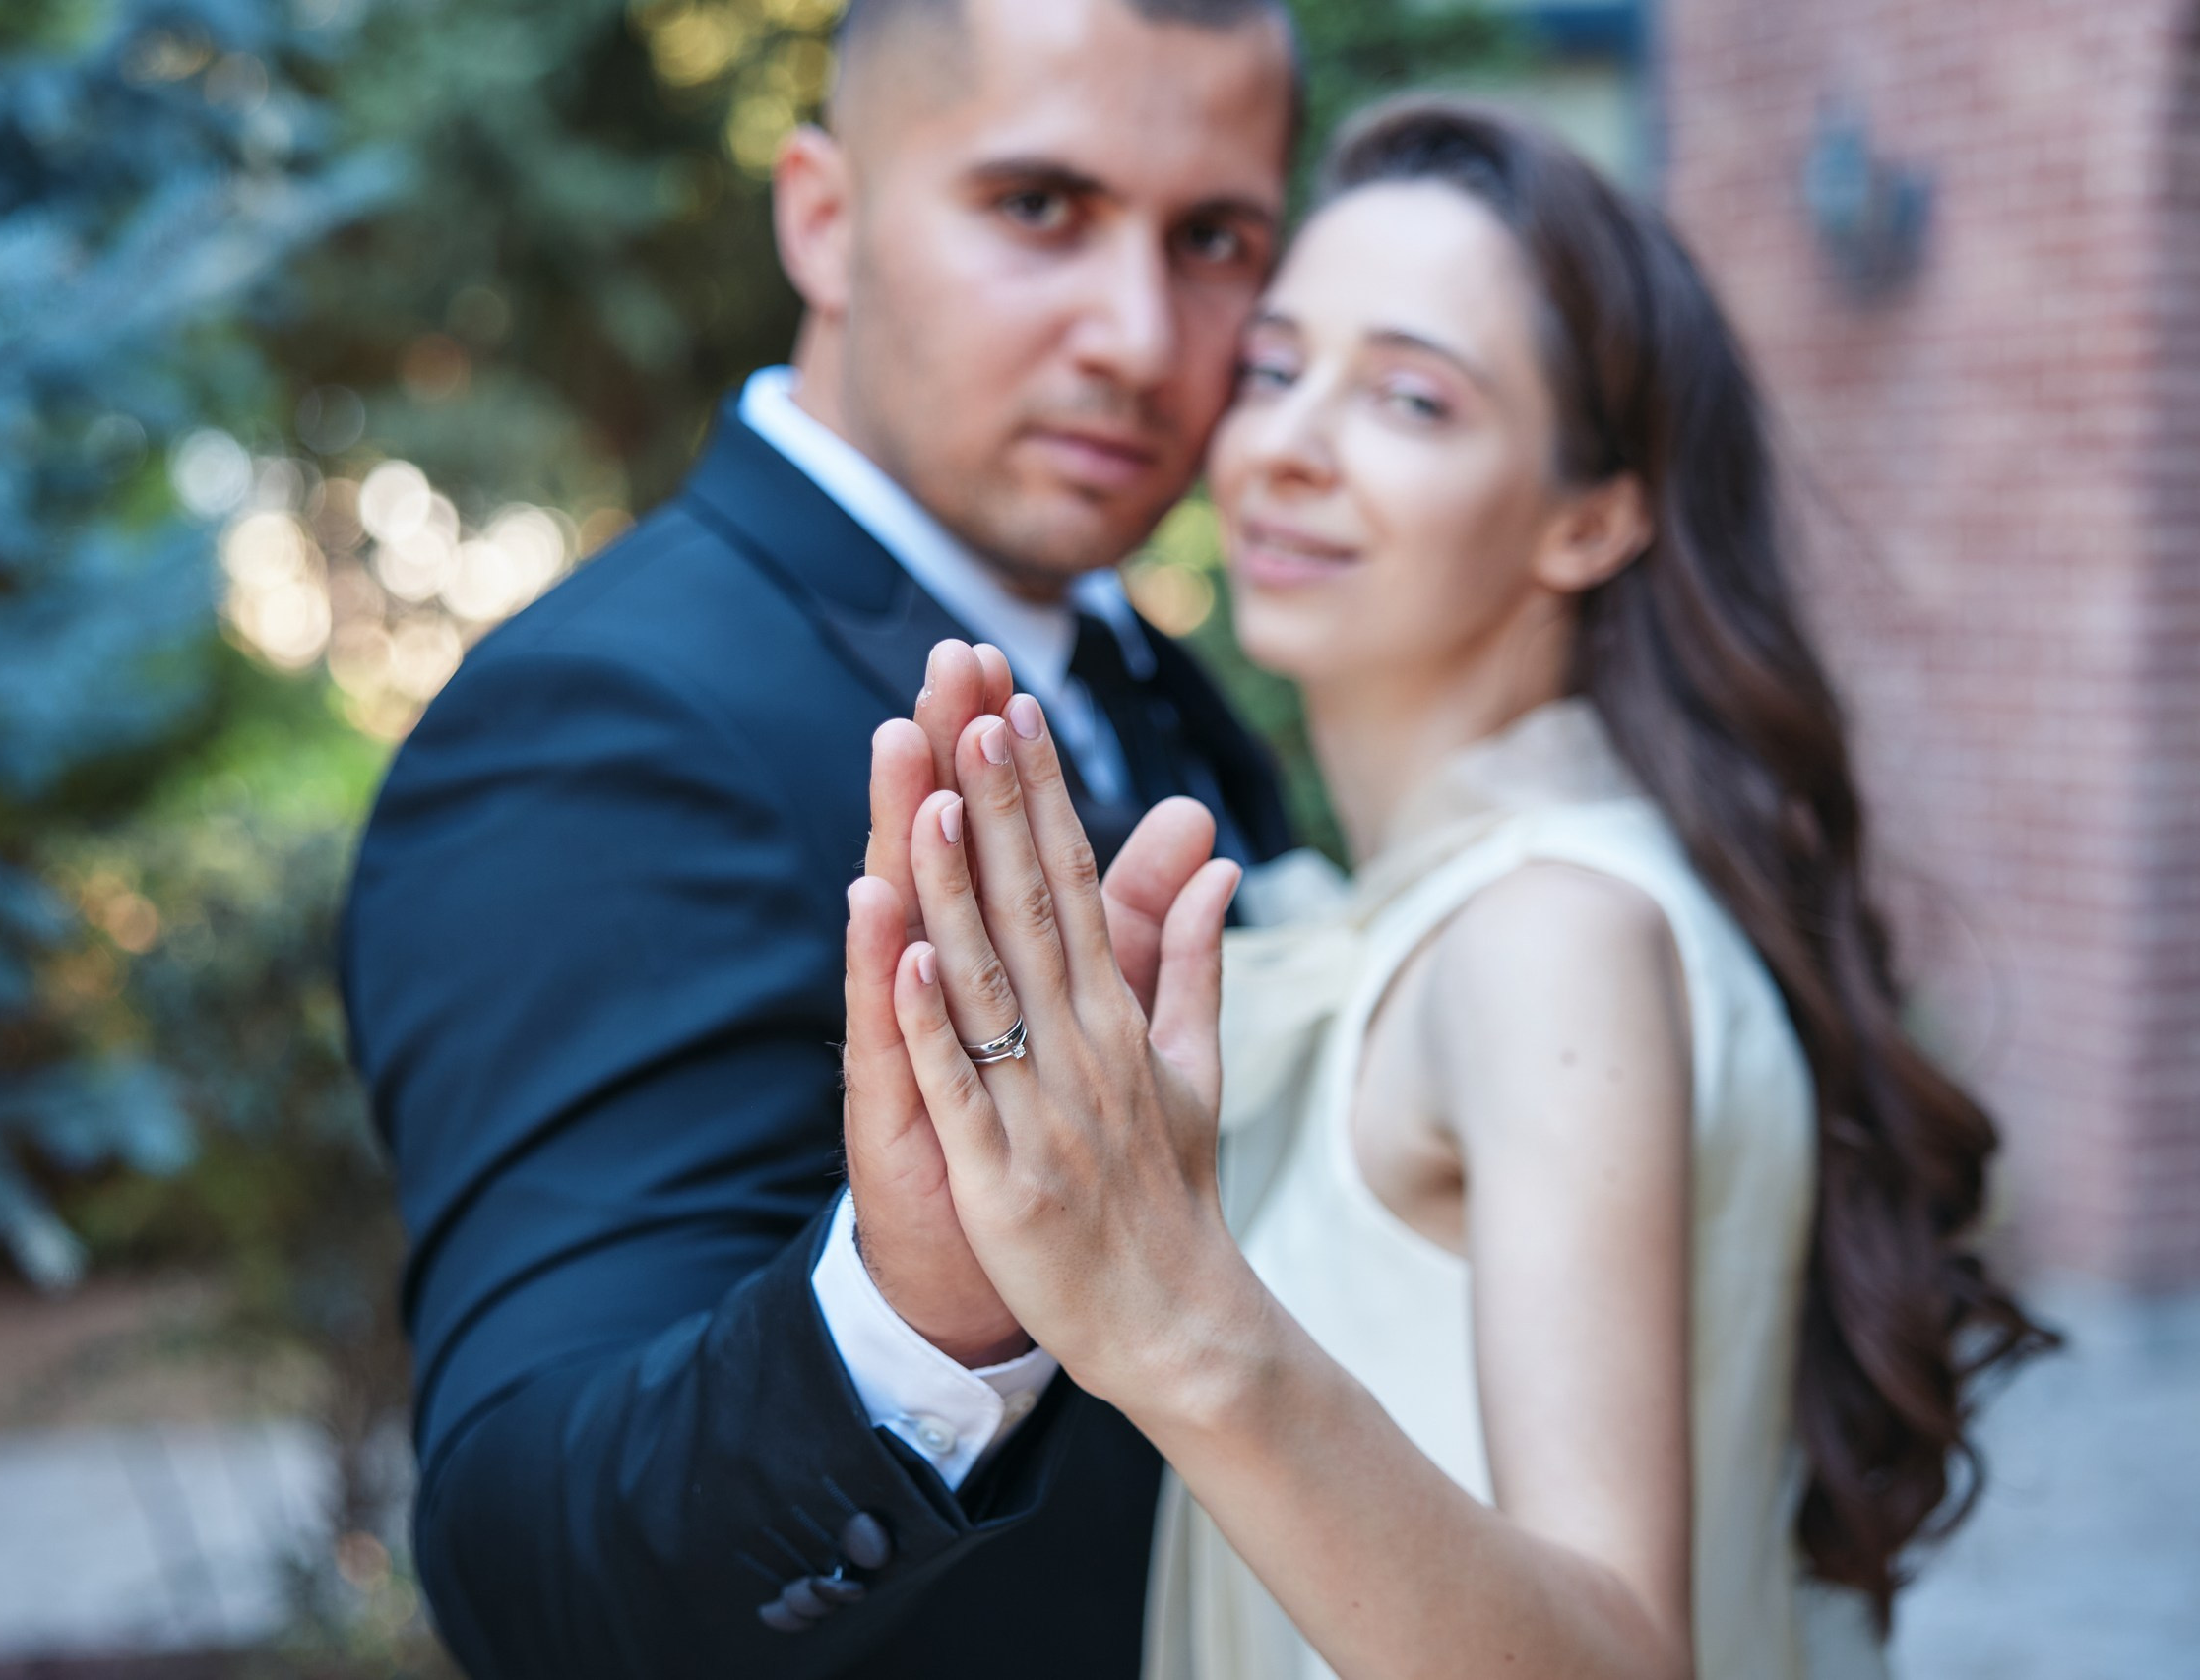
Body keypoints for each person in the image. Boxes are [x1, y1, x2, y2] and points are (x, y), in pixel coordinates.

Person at [855, 99, 2053, 1680]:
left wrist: (1175, 1321)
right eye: (1278, 370)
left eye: (1412, 399)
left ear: (1593, 516)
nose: (1287, 443)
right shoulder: (1497, 900)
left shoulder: (1547, 933)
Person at [337, 0, 1300, 1672]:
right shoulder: (604, 721)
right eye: (1039, 208)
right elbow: (528, 1579)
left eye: (1213, 238)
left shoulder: (1155, 683)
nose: (1143, 338)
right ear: (825, 217)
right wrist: (925, 1317)